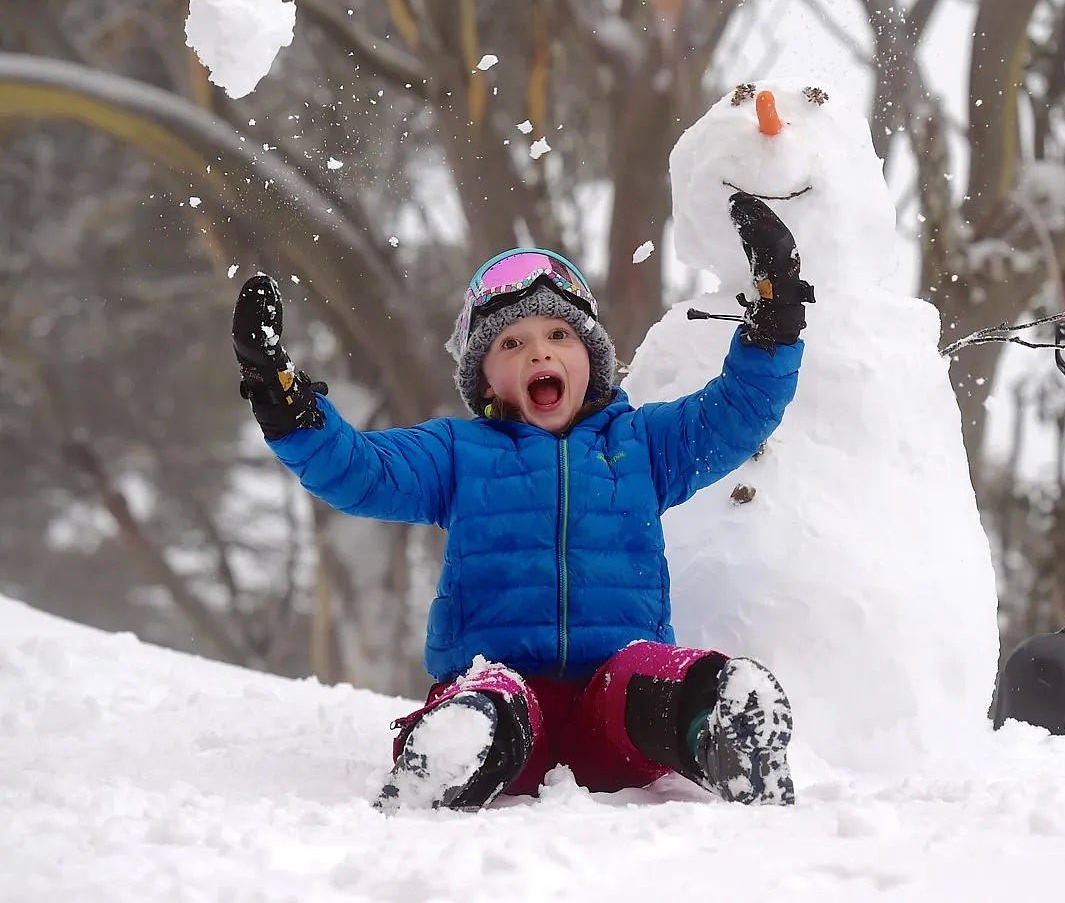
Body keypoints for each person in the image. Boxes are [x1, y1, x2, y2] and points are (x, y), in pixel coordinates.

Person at [231, 192, 814, 814]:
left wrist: (773, 328)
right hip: (507, 696)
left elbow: (736, 413)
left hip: (612, 705)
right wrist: (285, 405)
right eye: (511, 344)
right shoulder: (458, 451)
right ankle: (462, 750)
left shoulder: (643, 445)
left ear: (592, 361)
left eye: (560, 335)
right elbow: (360, 470)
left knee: (650, 674)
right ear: (484, 380)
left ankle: (721, 721)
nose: (539, 352)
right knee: (494, 694)